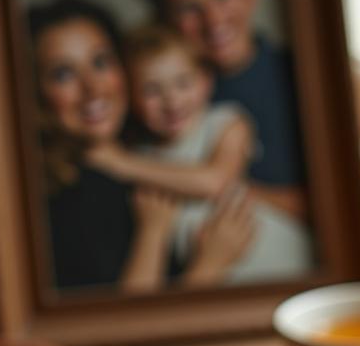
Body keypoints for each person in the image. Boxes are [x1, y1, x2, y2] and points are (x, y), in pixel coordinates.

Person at [27, 0, 250, 293]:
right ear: (35, 92)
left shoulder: (146, 157)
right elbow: (126, 328)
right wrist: (208, 265)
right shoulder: (65, 199)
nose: (93, 88)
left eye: (100, 61)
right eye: (63, 74)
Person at [87, 24, 312, 284]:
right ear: (132, 98)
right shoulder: (142, 153)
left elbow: (216, 182)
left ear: (206, 81)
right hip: (217, 277)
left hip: (283, 258)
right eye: (152, 90)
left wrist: (121, 163)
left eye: (183, 83)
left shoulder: (227, 122)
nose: (172, 101)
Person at [135, 0, 308, 220]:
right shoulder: (159, 103)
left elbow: (333, 204)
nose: (213, 20)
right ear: (163, 21)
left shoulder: (300, 78)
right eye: (189, 7)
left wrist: (226, 188)